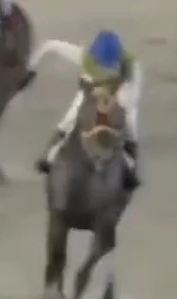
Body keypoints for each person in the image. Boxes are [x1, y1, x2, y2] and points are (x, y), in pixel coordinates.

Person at [31, 29, 143, 189]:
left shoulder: (132, 67)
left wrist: (113, 101)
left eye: (108, 65)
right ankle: (48, 156)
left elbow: (131, 95)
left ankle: (132, 168)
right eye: (100, 63)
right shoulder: (86, 57)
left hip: (120, 96)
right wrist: (32, 66)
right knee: (68, 120)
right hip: (91, 94)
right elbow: (51, 45)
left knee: (130, 128)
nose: (103, 67)